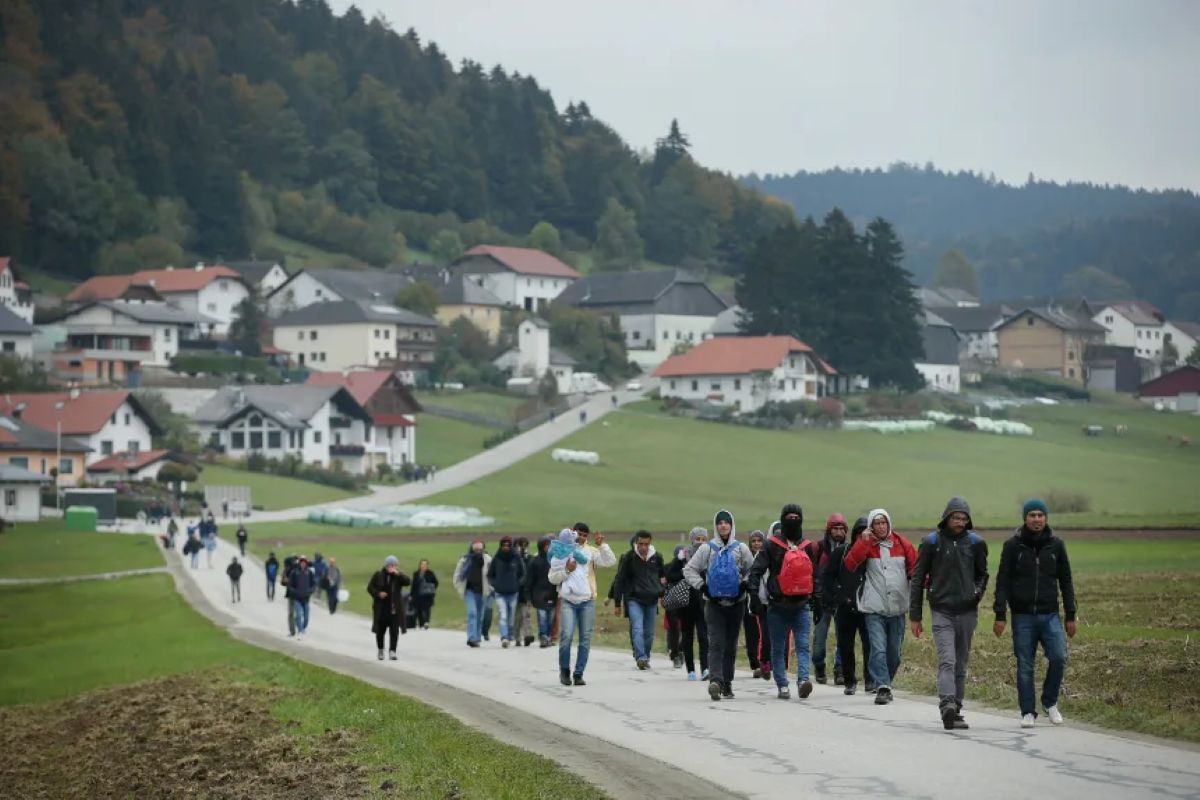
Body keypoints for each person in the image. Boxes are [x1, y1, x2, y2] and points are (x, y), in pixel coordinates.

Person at [993, 498, 1077, 728]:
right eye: (1032, 515)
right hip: (1022, 616)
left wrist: (1071, 615)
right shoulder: (1013, 546)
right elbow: (1003, 581)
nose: (1037, 519)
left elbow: (1066, 581)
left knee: (1059, 657)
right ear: (1025, 518)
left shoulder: (1056, 545)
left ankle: (1050, 702)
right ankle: (1027, 711)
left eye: (1040, 515)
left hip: (1050, 615)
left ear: (1046, 518)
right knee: (1025, 664)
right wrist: (1000, 614)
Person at [909, 496, 990, 731]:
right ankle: (947, 706)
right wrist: (915, 615)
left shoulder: (975, 544)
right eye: (956, 517)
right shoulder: (931, 542)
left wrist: (976, 594)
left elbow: (983, 574)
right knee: (947, 660)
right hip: (941, 610)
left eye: (964, 518)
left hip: (967, 611)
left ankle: (956, 708)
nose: (960, 522)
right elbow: (917, 579)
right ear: (946, 517)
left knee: (961, 663)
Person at [843, 509, 917, 706]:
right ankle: (883, 686)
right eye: (876, 523)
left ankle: (886, 683)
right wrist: (863, 542)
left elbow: (916, 570)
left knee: (894, 653)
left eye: (883, 522)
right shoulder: (867, 544)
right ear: (871, 526)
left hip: (898, 608)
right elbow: (850, 564)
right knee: (878, 649)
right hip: (874, 608)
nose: (881, 526)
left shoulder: (903, 544)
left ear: (889, 523)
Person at [748, 504, 819, 701]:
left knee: (797, 646)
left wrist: (818, 600)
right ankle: (786, 683)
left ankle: (799, 681)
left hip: (794, 605)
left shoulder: (780, 545)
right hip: (782, 606)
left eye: (796, 517)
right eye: (790, 517)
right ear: (783, 519)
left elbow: (815, 575)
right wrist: (754, 596)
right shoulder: (774, 545)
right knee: (784, 647)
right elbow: (756, 571)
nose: (793, 520)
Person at [684, 509, 755, 701]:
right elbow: (689, 569)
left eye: (727, 522)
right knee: (715, 643)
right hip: (713, 603)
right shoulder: (706, 548)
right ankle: (715, 681)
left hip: (737, 603)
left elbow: (753, 569)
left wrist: (744, 586)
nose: (723, 525)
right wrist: (702, 587)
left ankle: (728, 682)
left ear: (732, 525)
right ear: (715, 526)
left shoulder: (741, 548)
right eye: (720, 522)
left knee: (731, 644)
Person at [548, 523, 617, 686]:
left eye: (585, 535)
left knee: (585, 639)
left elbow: (610, 561)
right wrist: (567, 571)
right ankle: (564, 671)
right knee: (566, 636)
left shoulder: (591, 552)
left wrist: (602, 546)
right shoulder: (561, 550)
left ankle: (578, 673)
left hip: (587, 601)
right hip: (567, 600)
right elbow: (551, 578)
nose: (581, 537)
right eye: (579, 533)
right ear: (572, 532)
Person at [611, 530, 667, 670]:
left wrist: (662, 595)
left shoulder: (657, 558)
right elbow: (620, 580)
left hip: (651, 599)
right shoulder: (628, 558)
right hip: (634, 599)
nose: (643, 547)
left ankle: (645, 657)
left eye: (646, 544)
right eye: (640, 544)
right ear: (636, 543)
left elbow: (662, 578)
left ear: (650, 543)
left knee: (649, 633)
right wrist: (617, 602)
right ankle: (640, 657)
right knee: (637, 628)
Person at [832, 517, 872, 695]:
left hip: (868, 607)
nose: (862, 536)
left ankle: (870, 680)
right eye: (859, 532)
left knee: (870, 646)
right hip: (845, 608)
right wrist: (838, 597)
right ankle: (850, 681)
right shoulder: (841, 552)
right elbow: (827, 577)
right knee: (846, 646)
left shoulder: (873, 555)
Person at [812, 515, 847, 685]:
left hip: (841, 602)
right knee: (819, 640)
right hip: (822, 601)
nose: (839, 532)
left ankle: (839, 669)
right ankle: (819, 666)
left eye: (842, 529)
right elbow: (811, 573)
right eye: (835, 529)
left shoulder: (849, 549)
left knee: (843, 638)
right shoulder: (817, 549)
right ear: (829, 530)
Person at [368, 555, 411, 660]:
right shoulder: (378, 575)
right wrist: (378, 593)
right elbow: (370, 588)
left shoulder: (398, 576)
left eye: (395, 565)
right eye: (391, 565)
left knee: (394, 631)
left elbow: (408, 582)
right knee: (380, 631)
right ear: (386, 565)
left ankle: (392, 651)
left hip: (394, 609)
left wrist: (398, 574)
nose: (393, 567)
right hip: (382, 609)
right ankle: (381, 650)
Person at [487, 535, 527, 647]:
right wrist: (495, 584)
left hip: (513, 592)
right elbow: (490, 574)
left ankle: (509, 635)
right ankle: (504, 637)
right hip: (500, 593)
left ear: (511, 546)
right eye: (503, 545)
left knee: (510, 617)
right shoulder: (497, 558)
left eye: (508, 545)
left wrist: (517, 584)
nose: (505, 547)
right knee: (503, 615)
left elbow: (523, 573)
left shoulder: (516, 557)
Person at [742, 530, 771, 680]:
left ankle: (763, 663)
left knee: (764, 634)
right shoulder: (746, 559)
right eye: (753, 541)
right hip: (748, 601)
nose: (756, 543)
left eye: (759, 540)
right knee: (751, 634)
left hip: (765, 602)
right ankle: (754, 663)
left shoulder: (768, 557)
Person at [453, 539, 492, 647]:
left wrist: (491, 588)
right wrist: (458, 586)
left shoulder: (488, 559)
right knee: (472, 613)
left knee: (480, 615)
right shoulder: (465, 559)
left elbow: (493, 574)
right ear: (472, 548)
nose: (478, 551)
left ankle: (477, 636)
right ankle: (471, 638)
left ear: (483, 549)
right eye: (476, 549)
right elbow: (457, 574)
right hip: (469, 591)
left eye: (480, 549)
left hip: (483, 591)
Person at [526, 536, 557, 647]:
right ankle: (543, 636)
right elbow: (529, 581)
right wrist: (529, 598)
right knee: (542, 618)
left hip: (553, 595)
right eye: (547, 545)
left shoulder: (555, 561)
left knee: (550, 619)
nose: (549, 548)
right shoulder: (534, 561)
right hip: (539, 596)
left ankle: (548, 637)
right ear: (542, 546)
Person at [286, 555, 318, 640]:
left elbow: (314, 584)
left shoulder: (310, 573)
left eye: (304, 562)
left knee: (306, 617)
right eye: (301, 562)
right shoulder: (294, 573)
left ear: (306, 563)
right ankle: (300, 630)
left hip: (306, 598)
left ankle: (303, 628)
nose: (303, 564)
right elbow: (290, 585)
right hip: (297, 598)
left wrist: (310, 591)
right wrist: (294, 592)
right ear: (299, 563)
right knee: (299, 615)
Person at [513, 537, 535, 646]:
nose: (522, 547)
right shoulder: (512, 560)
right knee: (517, 617)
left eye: (525, 545)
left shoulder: (530, 559)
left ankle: (527, 635)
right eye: (520, 545)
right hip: (514, 592)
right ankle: (517, 637)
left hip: (526, 592)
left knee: (526, 614)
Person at [411, 559, 439, 629]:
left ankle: (426, 622)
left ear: (427, 566)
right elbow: (413, 585)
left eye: (425, 565)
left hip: (427, 595)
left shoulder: (430, 573)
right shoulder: (416, 573)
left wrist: (431, 588)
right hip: (417, 595)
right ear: (420, 565)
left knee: (426, 609)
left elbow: (436, 583)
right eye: (422, 565)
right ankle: (421, 624)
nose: (423, 566)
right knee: (418, 609)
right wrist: (411, 595)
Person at [281, 554, 297, 636]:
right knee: (292, 614)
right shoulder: (287, 570)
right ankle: (293, 631)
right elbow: (283, 582)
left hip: (296, 594)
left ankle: (294, 630)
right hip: (292, 594)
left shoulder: (297, 570)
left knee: (293, 613)